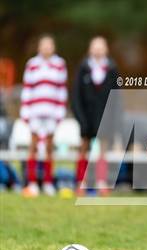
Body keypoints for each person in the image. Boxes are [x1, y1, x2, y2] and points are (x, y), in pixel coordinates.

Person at [20, 34, 67, 197]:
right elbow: (27, 88)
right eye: (44, 45)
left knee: (48, 148)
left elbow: (61, 89)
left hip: (51, 112)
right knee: (33, 146)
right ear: (39, 47)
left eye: (49, 45)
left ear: (53, 47)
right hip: (35, 111)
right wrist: (25, 111)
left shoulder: (59, 64)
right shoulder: (32, 64)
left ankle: (47, 183)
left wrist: (60, 111)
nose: (47, 48)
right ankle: (32, 183)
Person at [72, 36, 119, 196]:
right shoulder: (83, 68)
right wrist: (81, 118)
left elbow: (117, 97)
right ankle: (81, 182)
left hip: (104, 117)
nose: (98, 50)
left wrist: (114, 119)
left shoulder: (112, 69)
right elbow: (76, 96)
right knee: (83, 149)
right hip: (86, 117)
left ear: (106, 49)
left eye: (101, 47)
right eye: (95, 46)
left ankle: (101, 182)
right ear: (90, 49)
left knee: (102, 151)